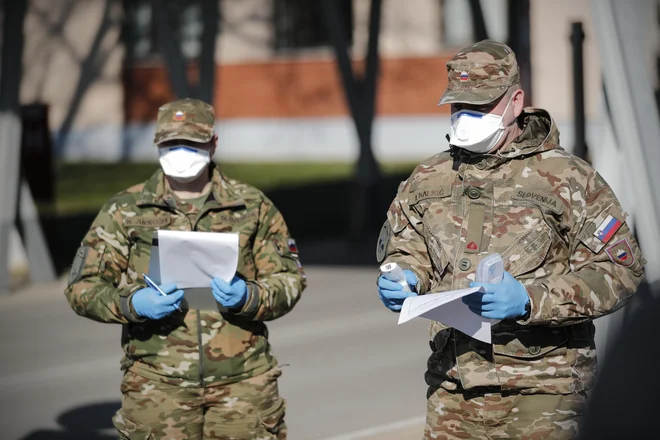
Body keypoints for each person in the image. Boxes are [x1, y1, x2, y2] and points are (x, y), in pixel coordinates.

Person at [375, 40, 646, 439]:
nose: (467, 117)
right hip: (453, 387)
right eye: (458, 106)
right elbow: (409, 245)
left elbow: (621, 269)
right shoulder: (428, 178)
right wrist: (405, 276)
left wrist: (531, 299)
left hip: (544, 390)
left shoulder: (568, 178)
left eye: (481, 107)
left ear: (515, 101)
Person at [64, 98, 306, 439]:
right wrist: (131, 304)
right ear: (158, 145)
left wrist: (249, 296)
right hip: (156, 386)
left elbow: (290, 279)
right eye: (170, 143)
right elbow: (82, 287)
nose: (180, 150)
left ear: (213, 143)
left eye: (190, 142)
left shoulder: (251, 206)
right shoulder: (125, 209)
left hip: (245, 385)